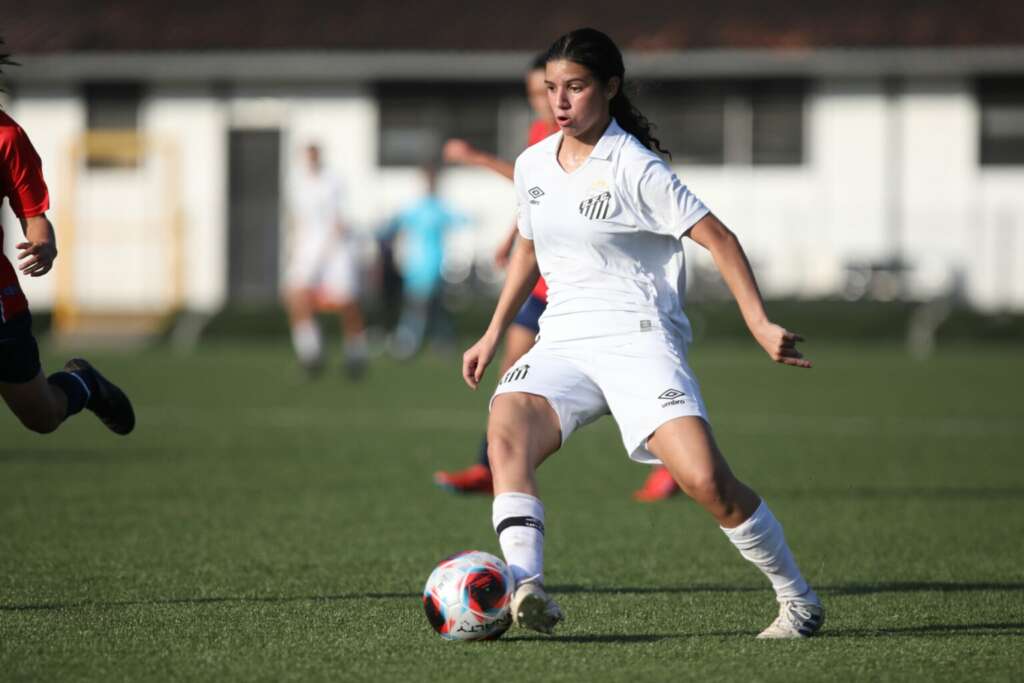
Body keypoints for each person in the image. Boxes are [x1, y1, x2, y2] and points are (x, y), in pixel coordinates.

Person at [461, 28, 824, 639]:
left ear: (609, 87)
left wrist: (759, 323)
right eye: (552, 88)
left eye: (575, 87)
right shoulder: (532, 165)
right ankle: (526, 585)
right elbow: (529, 244)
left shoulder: (635, 165)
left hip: (639, 338)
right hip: (565, 338)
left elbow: (721, 239)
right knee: (507, 428)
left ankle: (799, 599)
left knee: (706, 481)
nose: (560, 101)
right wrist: (494, 330)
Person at [434, 54, 680, 501]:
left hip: (591, 293)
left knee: (633, 389)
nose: (545, 101)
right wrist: (512, 238)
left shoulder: (581, 136)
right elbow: (536, 198)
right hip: (544, 284)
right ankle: (489, 464)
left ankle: (675, 465)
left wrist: (476, 158)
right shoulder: (540, 135)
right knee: (512, 375)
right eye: (539, 92)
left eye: (552, 89)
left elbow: (528, 180)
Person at [0, 47, 134, 436]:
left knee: (43, 416)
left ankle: (84, 384)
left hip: (2, 306)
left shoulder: (7, 138)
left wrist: (44, 246)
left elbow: (35, 219)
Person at [284, 144, 368, 378]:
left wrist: (332, 250)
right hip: (308, 246)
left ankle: (356, 353)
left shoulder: (333, 180)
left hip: (335, 246)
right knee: (295, 295)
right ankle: (310, 354)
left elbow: (340, 218)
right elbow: (298, 218)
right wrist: (296, 249)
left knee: (346, 302)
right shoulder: (298, 183)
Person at [379, 164, 467, 360]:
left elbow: (462, 221)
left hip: (433, 265)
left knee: (419, 305)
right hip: (416, 266)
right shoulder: (417, 208)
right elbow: (393, 226)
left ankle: (408, 342)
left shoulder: (438, 208)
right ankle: (443, 342)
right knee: (431, 306)